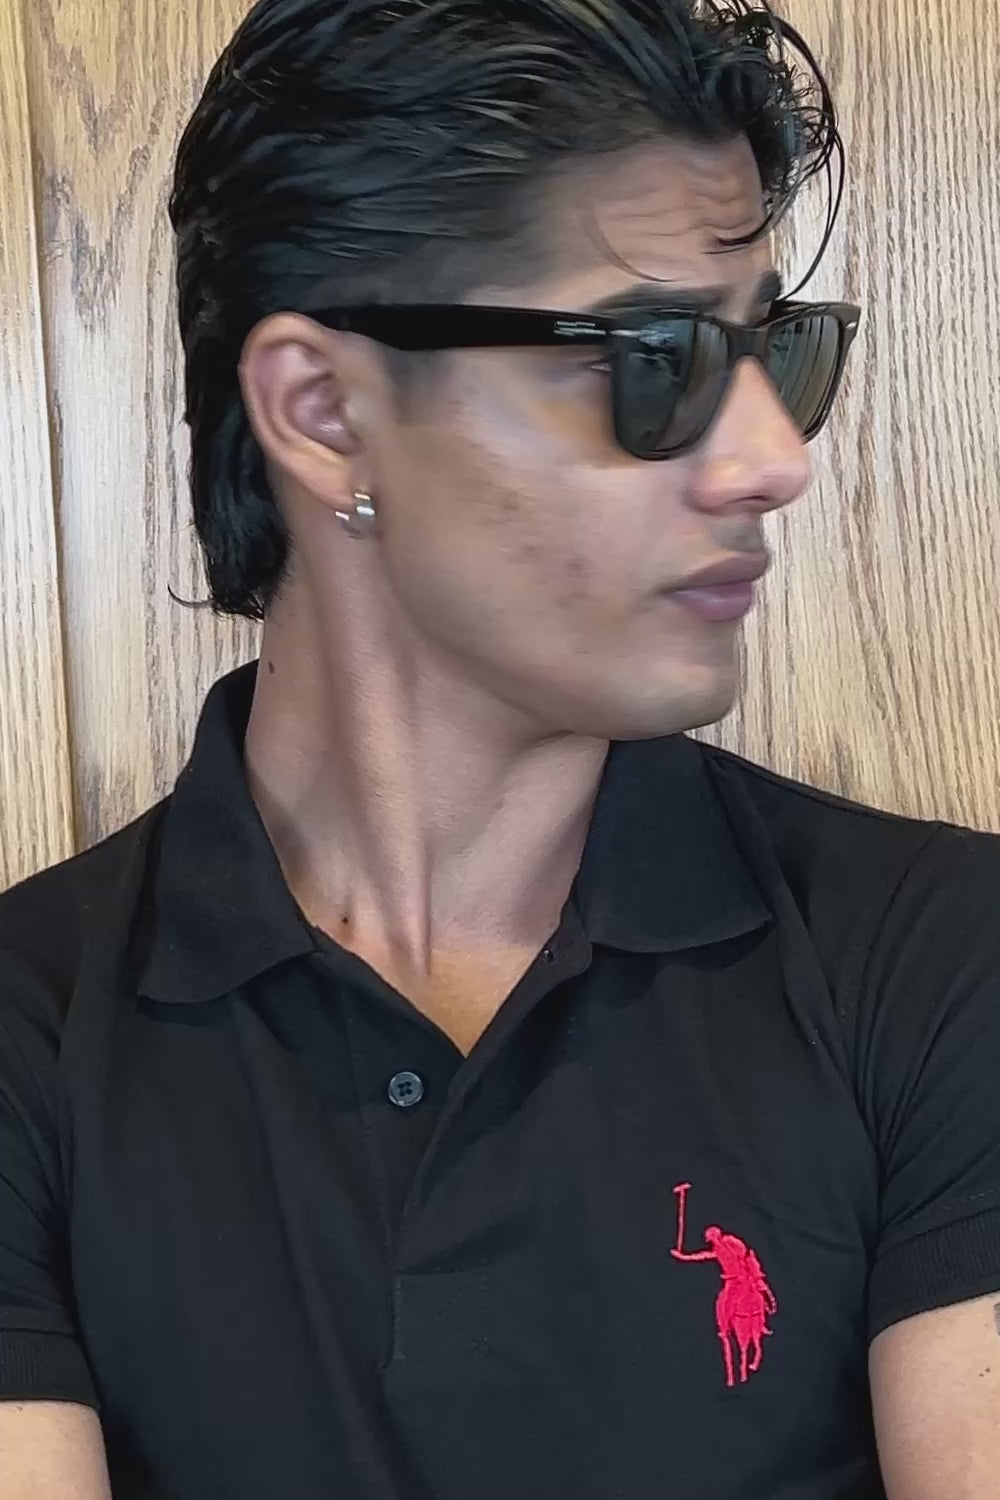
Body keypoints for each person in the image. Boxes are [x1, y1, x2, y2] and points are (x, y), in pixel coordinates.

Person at [0, 0, 997, 1495]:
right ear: (325, 412)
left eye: (774, 350)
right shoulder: (31, 1033)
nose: (774, 462)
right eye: (658, 355)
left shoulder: (939, 957)